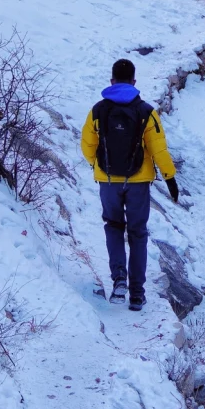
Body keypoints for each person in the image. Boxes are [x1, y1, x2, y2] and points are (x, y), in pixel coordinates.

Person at [80, 58, 178, 311]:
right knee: (137, 233)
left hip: (108, 181)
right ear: (134, 82)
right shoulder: (145, 111)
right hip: (138, 183)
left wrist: (98, 165)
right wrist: (169, 177)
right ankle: (137, 294)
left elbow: (87, 144)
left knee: (113, 226)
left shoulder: (98, 111)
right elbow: (159, 148)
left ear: (111, 81)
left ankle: (119, 279)